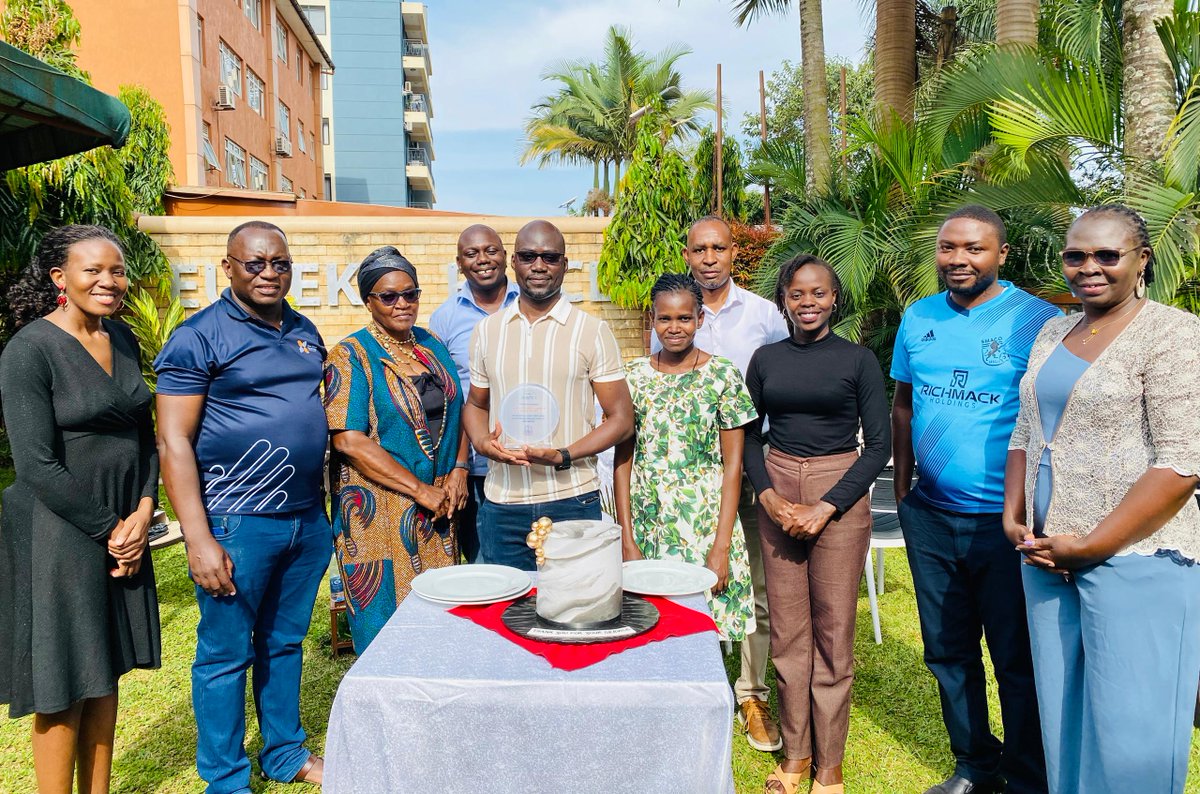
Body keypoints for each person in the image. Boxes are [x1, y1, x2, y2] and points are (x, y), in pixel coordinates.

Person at [1005, 205, 1200, 794]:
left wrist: (1090, 546)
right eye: (1076, 255)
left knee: (1131, 732)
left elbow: (1182, 462)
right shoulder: (1053, 332)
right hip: (1045, 556)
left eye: (1107, 255)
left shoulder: (1173, 333)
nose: (1089, 267)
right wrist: (1013, 514)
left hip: (1136, 558)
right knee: (1063, 718)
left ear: (1142, 261)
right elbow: (1026, 430)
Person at [155, 221, 331, 792]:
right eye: (254, 263)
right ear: (227, 267)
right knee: (225, 655)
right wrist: (198, 538)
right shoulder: (198, 336)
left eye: (279, 263)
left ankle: (284, 754)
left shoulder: (303, 330)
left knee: (284, 643)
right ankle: (227, 779)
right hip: (236, 519)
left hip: (305, 518)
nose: (268, 273)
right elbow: (172, 441)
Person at [892, 205, 1057, 794]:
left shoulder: (1038, 320)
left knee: (1015, 657)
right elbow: (904, 404)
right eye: (948, 247)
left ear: (1001, 254)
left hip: (1006, 522)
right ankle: (974, 766)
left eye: (974, 248)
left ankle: (1027, 777)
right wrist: (904, 487)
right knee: (947, 651)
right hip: (931, 517)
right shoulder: (918, 317)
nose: (958, 259)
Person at [0, 225, 161, 794]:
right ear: (59, 278)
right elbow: (35, 465)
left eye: (116, 270)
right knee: (63, 679)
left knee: (104, 668)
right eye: (92, 269)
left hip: (124, 520)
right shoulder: (29, 350)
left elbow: (143, 434)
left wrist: (143, 510)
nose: (108, 281)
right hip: (60, 527)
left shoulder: (122, 338)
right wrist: (112, 528)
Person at [744, 255, 890, 794]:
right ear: (783, 300)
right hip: (779, 487)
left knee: (832, 634)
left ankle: (830, 765)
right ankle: (796, 755)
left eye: (818, 293)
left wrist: (826, 506)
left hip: (839, 493)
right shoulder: (765, 359)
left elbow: (878, 446)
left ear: (834, 299)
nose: (808, 302)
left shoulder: (858, 360)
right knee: (788, 635)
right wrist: (769, 497)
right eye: (797, 294)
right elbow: (749, 435)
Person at [653, 215, 789, 751]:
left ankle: (751, 693)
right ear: (687, 255)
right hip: (683, 483)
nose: (709, 258)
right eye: (699, 249)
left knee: (753, 585)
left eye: (718, 248)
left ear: (734, 252)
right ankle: (692, 685)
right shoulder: (672, 311)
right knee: (684, 585)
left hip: (750, 466)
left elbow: (784, 380)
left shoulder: (763, 315)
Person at [463, 219, 634, 570]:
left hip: (572, 499)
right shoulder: (487, 331)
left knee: (576, 601)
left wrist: (563, 455)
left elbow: (622, 420)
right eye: (528, 256)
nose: (539, 266)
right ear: (514, 262)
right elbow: (476, 405)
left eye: (550, 257)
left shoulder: (592, 331)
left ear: (564, 265)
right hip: (502, 504)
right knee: (508, 604)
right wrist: (482, 443)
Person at [325, 246, 468, 651]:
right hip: (378, 516)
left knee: (440, 626)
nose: (402, 304)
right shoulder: (351, 355)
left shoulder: (431, 345)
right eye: (388, 296)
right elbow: (348, 440)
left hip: (439, 510)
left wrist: (459, 468)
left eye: (410, 293)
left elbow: (459, 409)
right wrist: (419, 489)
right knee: (386, 635)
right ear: (368, 301)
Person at [614, 273, 758, 641]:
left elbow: (733, 466)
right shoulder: (633, 376)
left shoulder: (722, 375)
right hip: (648, 522)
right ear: (652, 319)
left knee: (701, 629)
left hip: (704, 524)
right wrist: (627, 538)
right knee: (648, 627)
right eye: (665, 318)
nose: (674, 327)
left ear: (700, 319)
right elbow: (623, 461)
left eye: (684, 318)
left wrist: (721, 546)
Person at [429, 224, 519, 562]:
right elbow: (447, 397)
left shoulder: (532, 304)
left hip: (533, 460)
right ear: (459, 263)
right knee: (486, 565)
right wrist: (460, 465)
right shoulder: (445, 319)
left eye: (491, 251)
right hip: (476, 469)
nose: (483, 259)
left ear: (506, 256)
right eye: (472, 253)